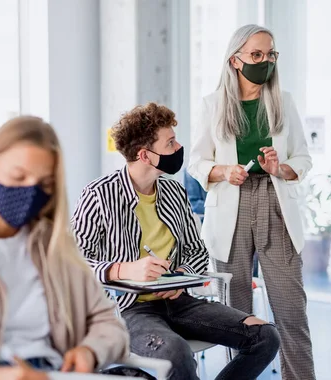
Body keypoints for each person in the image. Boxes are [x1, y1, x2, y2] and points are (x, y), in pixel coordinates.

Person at [71, 102, 280, 380]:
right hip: (130, 310)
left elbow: (196, 251)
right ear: (145, 155)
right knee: (176, 353)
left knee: (265, 336)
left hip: (181, 302)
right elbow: (73, 263)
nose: (179, 147)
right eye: (170, 143)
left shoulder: (174, 191)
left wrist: (180, 275)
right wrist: (123, 270)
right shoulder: (97, 195)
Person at [0, 117, 130, 380]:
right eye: (18, 176)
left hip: (53, 371)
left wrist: (90, 350)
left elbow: (108, 322)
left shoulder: (55, 247)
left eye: (44, 184)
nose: (30, 192)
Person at [188, 24, 315, 379]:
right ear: (235, 60)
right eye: (256, 55)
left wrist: (281, 166)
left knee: (291, 309)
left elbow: (304, 159)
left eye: (270, 54)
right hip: (231, 205)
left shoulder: (283, 101)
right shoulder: (213, 105)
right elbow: (197, 162)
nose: (265, 61)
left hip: (276, 203)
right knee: (236, 313)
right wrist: (223, 171)